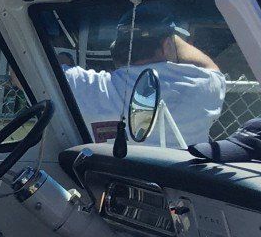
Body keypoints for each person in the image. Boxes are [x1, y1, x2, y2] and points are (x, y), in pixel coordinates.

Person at [66, 14, 226, 146]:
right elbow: (209, 67)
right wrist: (169, 37)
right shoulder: (201, 86)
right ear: (167, 45)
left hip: (104, 182)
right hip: (179, 183)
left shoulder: (86, 87)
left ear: (116, 49)